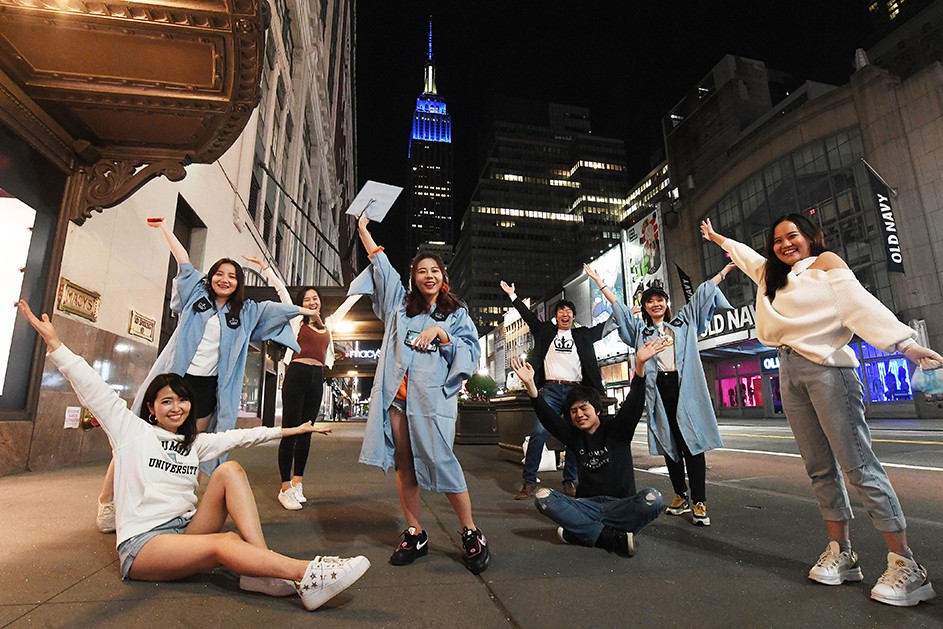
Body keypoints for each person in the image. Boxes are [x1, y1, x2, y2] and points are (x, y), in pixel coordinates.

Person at [18, 300, 369, 611]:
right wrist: (55, 344)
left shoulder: (194, 443)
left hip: (185, 532)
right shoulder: (131, 432)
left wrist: (294, 430)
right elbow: (93, 388)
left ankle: (262, 571)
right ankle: (305, 572)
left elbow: (244, 436)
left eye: (182, 400)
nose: (176, 408)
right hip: (145, 545)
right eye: (166, 401)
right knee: (225, 543)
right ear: (152, 409)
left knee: (229, 469)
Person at [701, 214, 941, 607]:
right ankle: (842, 552)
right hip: (788, 370)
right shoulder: (772, 277)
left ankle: (906, 565)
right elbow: (743, 255)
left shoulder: (826, 266)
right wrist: (716, 238)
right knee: (819, 468)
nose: (784, 244)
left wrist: (906, 345)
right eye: (777, 240)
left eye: (792, 236)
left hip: (829, 370)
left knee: (858, 467)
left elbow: (861, 305)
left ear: (810, 237)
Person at [95, 217, 317, 533]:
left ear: (239, 283)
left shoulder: (247, 311)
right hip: (172, 381)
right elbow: (184, 262)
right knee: (135, 440)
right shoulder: (196, 295)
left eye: (232, 276)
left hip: (207, 391)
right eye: (219, 274)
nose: (224, 279)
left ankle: (179, 505)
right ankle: (108, 502)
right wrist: (165, 230)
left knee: (192, 449)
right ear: (211, 277)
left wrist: (302, 311)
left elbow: (275, 310)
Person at [354, 212, 489, 574]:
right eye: (421, 271)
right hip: (397, 402)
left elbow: (471, 351)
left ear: (443, 277)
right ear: (414, 278)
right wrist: (365, 231)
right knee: (404, 466)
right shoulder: (400, 305)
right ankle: (415, 531)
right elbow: (382, 269)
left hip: (433, 401)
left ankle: (470, 531)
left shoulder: (456, 314)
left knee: (442, 461)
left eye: (435, 270)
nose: (429, 276)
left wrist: (443, 336)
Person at [586, 262, 735, 526]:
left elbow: (702, 294)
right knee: (670, 444)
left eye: (660, 300)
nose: (655, 304)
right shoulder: (640, 332)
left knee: (693, 444)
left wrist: (723, 272)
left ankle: (699, 501)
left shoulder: (683, 321)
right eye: (650, 301)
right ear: (644, 307)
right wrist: (600, 283)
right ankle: (680, 495)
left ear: (666, 303)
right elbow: (619, 309)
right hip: (658, 391)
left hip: (684, 388)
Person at [510, 339, 669, 557]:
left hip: (620, 505)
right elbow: (548, 419)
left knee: (653, 499)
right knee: (544, 497)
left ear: (596, 409)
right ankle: (610, 537)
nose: (579, 415)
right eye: (573, 411)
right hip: (586, 506)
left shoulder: (617, 430)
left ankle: (580, 532)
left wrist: (639, 366)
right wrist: (531, 387)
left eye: (583, 408)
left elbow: (634, 403)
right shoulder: (574, 436)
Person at [499, 278, 610, 500]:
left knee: (575, 437)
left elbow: (607, 327)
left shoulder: (583, 335)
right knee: (540, 432)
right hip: (551, 390)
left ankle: (569, 480)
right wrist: (513, 296)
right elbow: (528, 316)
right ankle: (529, 481)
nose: (565, 314)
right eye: (561, 311)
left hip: (575, 392)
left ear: (574, 317)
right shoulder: (545, 331)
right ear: (556, 316)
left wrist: (623, 311)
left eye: (569, 311)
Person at [271, 283, 360, 511]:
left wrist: (365, 283)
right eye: (308, 299)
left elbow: (348, 303)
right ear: (302, 304)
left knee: (307, 431)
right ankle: (284, 489)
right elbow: (281, 291)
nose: (312, 302)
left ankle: (297, 483)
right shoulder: (296, 320)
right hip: (297, 374)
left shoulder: (328, 324)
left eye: (315, 299)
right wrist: (265, 268)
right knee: (291, 431)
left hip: (316, 377)